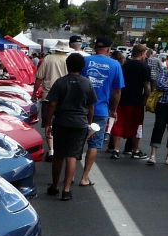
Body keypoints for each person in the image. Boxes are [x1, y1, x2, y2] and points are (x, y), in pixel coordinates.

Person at [44, 52, 96, 201]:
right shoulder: (87, 83)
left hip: (61, 121)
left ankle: (55, 186)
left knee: (59, 155)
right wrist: (89, 123)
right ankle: (66, 190)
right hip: (79, 123)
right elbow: (91, 106)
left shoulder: (60, 82)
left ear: (67, 66)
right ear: (82, 67)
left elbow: (52, 104)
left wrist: (48, 123)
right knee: (72, 156)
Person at [79, 36, 124, 186]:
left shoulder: (84, 61)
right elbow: (117, 91)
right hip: (100, 109)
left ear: (95, 48)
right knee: (94, 144)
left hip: (81, 108)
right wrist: (113, 110)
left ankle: (70, 175)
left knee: (76, 142)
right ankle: (84, 177)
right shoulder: (115, 64)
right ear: (109, 49)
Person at [109, 44, 151, 159]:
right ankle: (135, 150)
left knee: (118, 124)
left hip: (122, 99)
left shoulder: (124, 65)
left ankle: (115, 149)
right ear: (142, 53)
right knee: (137, 125)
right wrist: (147, 99)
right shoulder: (145, 67)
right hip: (136, 100)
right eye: (145, 53)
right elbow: (147, 86)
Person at [35, 40, 69, 161]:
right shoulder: (69, 60)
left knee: (48, 123)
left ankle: (51, 151)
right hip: (65, 97)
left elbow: (39, 77)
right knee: (63, 124)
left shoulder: (48, 59)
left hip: (48, 96)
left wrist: (34, 93)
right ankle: (61, 148)